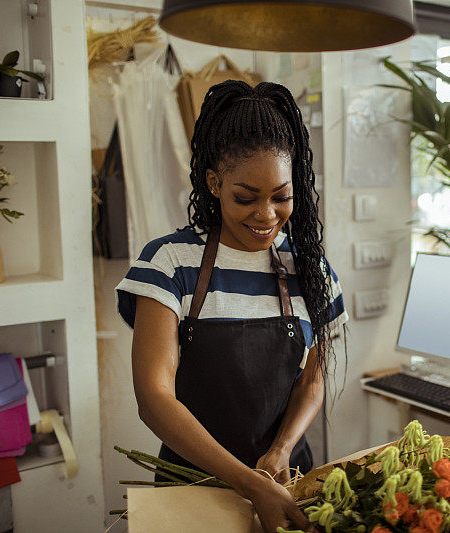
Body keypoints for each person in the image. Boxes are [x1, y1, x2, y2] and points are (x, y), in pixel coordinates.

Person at [115, 80, 348, 532]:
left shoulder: (310, 269)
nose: (266, 215)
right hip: (193, 491)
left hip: (286, 482)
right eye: (246, 197)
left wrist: (280, 450)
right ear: (214, 182)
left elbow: (313, 378)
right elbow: (153, 397)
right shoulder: (169, 263)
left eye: (281, 196)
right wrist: (247, 482)